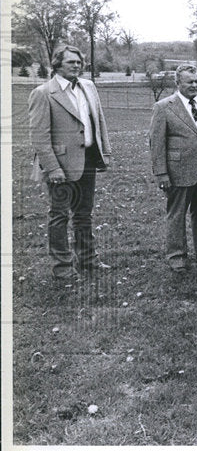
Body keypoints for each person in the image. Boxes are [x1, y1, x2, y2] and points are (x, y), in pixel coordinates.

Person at [27, 44, 112, 279]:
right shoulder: (43, 93)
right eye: (70, 62)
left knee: (84, 214)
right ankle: (62, 266)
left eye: (78, 62)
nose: (76, 66)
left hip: (87, 160)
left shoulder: (88, 86)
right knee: (60, 215)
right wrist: (52, 168)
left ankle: (87, 260)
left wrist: (105, 151)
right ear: (57, 65)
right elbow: (39, 137)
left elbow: (98, 121)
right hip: (60, 166)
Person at [149, 63, 197, 272]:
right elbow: (156, 143)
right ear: (177, 83)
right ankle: (177, 256)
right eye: (189, 82)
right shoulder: (164, 107)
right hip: (178, 171)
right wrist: (161, 173)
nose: (194, 85)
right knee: (177, 214)